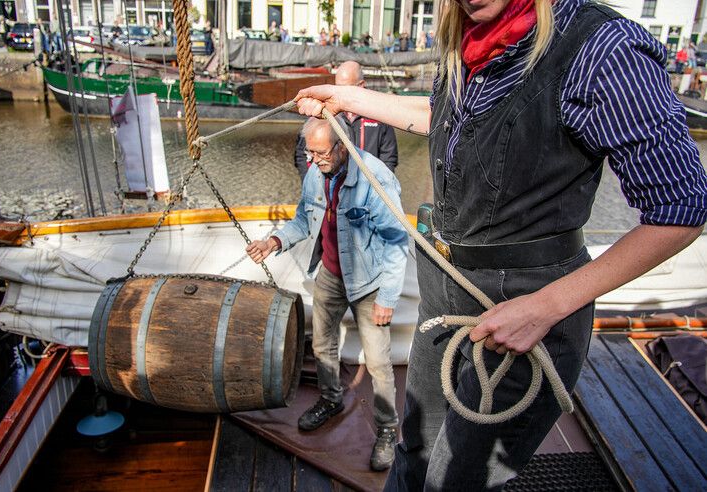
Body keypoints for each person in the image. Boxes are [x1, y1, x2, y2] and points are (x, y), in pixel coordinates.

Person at [294, 0, 707, 490]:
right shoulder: (465, 40)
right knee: (415, 450)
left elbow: (682, 210)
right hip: (445, 292)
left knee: (454, 479)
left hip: (526, 306)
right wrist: (351, 101)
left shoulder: (602, 49)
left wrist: (545, 307)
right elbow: (448, 119)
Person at [246, 117, 408, 472]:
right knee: (321, 343)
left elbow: (398, 242)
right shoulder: (315, 172)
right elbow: (304, 219)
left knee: (379, 363)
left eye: (319, 152)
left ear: (341, 146)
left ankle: (386, 429)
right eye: (309, 151)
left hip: (370, 283)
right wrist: (274, 241)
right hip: (332, 273)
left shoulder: (376, 178)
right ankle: (331, 398)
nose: (312, 159)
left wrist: (388, 298)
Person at [294, 61, 398, 180]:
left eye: (345, 88)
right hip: (330, 188)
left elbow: (389, 158)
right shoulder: (325, 113)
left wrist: (381, 185)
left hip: (366, 188)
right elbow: (302, 154)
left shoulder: (378, 116)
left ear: (361, 85)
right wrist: (310, 181)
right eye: (337, 87)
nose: (339, 93)